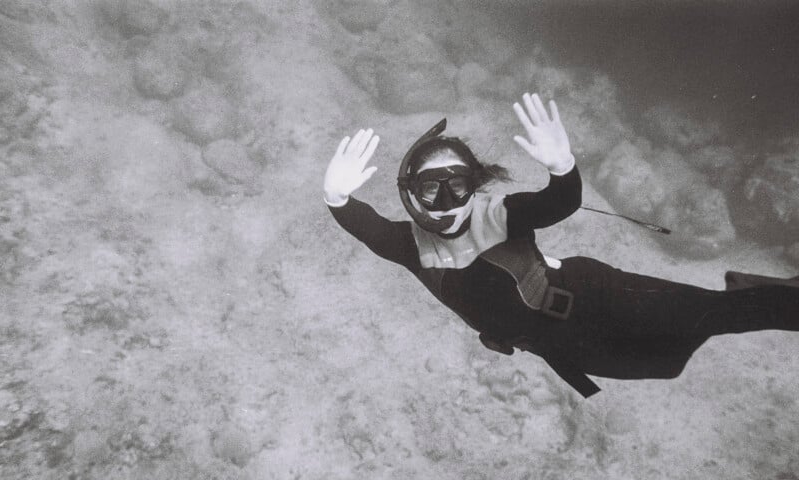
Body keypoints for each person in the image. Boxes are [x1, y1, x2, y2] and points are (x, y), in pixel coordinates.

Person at [323, 92, 799, 397]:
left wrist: (562, 165)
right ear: (410, 194)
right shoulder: (410, 246)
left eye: (460, 185)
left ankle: (778, 298)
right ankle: (753, 292)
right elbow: (364, 226)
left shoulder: (501, 215)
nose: (447, 202)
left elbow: (559, 203)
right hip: (557, 345)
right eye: (431, 189)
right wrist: (336, 196)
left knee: (717, 317)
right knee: (670, 363)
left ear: (476, 185)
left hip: (597, 293)